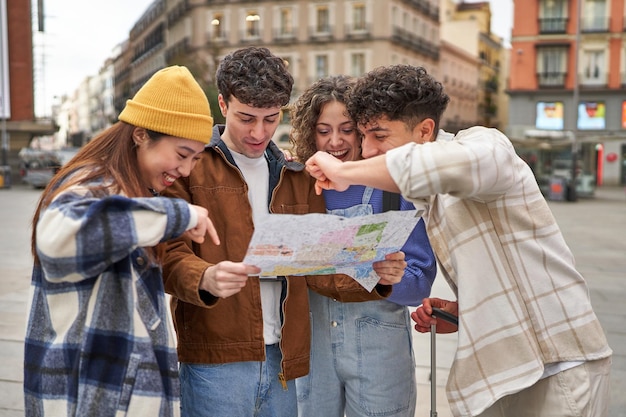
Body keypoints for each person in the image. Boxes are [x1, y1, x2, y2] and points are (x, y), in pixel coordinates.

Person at [305, 65, 612, 417]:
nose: (367, 149)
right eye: (364, 135)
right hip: (503, 373)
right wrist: (466, 312)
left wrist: (342, 172)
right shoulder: (429, 195)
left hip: (557, 362)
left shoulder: (486, 145)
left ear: (425, 130)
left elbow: (438, 164)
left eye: (378, 134)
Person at [159, 47, 402, 417]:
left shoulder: (295, 176)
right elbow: (167, 255)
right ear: (222, 105)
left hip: (285, 363)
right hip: (215, 357)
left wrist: (374, 275)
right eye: (246, 118)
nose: (259, 132)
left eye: (271, 119)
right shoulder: (192, 168)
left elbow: (321, 268)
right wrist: (205, 276)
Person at [24, 66, 220, 417]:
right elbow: (56, 237)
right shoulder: (93, 183)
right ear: (141, 135)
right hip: (88, 400)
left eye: (194, 158)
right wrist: (180, 214)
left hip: (112, 397)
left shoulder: (131, 193)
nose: (187, 170)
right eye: (181, 154)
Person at [288, 75, 437, 417]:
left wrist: (390, 277)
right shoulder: (294, 187)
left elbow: (419, 284)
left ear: (362, 131)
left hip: (379, 351)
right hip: (313, 349)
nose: (335, 142)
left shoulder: (394, 190)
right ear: (310, 132)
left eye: (347, 129)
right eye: (324, 130)